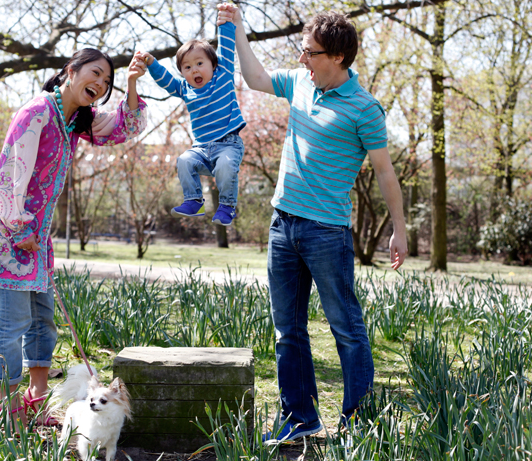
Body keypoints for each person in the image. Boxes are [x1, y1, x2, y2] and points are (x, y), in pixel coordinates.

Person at [217, 4, 408, 443]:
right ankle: (300, 421)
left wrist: (398, 228)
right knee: (288, 332)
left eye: (310, 52)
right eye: (302, 50)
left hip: (327, 233)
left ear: (338, 56)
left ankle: (359, 426)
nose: (302, 58)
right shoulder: (301, 83)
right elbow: (257, 78)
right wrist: (240, 30)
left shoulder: (364, 109)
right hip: (282, 225)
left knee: (347, 330)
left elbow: (385, 173)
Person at [0, 49, 148, 427]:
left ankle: (35, 401)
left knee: (43, 320)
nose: (100, 85)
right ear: (70, 71)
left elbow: (124, 127)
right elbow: (10, 172)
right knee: (11, 322)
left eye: (107, 81)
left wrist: (131, 84)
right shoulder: (37, 111)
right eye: (95, 74)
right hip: (9, 232)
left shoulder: (74, 120)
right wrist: (19, 227)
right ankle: (7, 409)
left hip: (36, 237)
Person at [138, 18, 246, 226]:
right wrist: (151, 63)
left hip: (228, 145)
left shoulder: (222, 76)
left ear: (213, 65)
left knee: (225, 165)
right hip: (201, 149)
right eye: (187, 67)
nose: (194, 70)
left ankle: (227, 206)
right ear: (183, 73)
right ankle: (194, 201)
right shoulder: (185, 89)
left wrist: (224, 23)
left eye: (199, 63)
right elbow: (166, 81)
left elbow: (226, 48)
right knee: (184, 160)